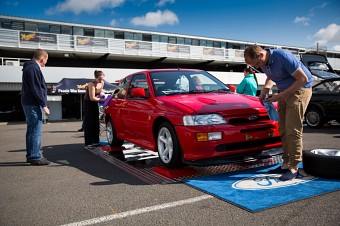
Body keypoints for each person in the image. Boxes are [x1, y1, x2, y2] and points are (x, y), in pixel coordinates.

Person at [244, 45, 313, 181]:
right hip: (284, 92)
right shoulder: (264, 62)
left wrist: (281, 96)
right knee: (282, 128)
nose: (258, 67)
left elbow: (302, 79)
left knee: (292, 129)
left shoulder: (282, 56)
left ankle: (294, 167)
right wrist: (265, 90)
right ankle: (285, 164)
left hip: (300, 89)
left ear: (261, 55)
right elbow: (271, 76)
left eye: (257, 64)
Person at [21, 49, 50, 165]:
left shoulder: (30, 67)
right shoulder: (33, 68)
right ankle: (34, 157)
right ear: (42, 59)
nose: (46, 63)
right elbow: (36, 88)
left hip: (29, 103)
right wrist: (44, 105)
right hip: (32, 104)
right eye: (46, 60)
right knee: (35, 131)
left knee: (32, 130)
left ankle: (31, 155)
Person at [83, 70, 105, 148]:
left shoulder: (102, 83)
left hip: (96, 102)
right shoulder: (91, 84)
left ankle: (96, 141)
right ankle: (88, 143)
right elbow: (92, 98)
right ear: (96, 78)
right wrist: (102, 100)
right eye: (99, 79)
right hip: (88, 103)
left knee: (96, 122)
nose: (101, 80)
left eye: (102, 78)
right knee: (89, 122)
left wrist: (104, 96)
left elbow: (101, 92)